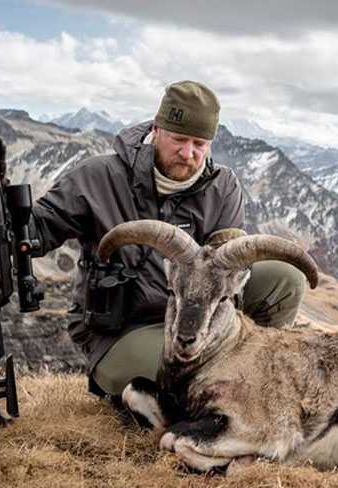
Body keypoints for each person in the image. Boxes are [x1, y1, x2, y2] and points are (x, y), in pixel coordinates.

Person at [27, 81, 308, 399]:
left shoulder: (223, 186)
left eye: (200, 143)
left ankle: (253, 372)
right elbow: (37, 230)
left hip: (196, 315)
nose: (188, 153)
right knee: (184, 392)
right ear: (157, 129)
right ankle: (133, 379)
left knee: (286, 278)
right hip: (127, 327)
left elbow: (223, 270)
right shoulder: (98, 177)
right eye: (179, 139)